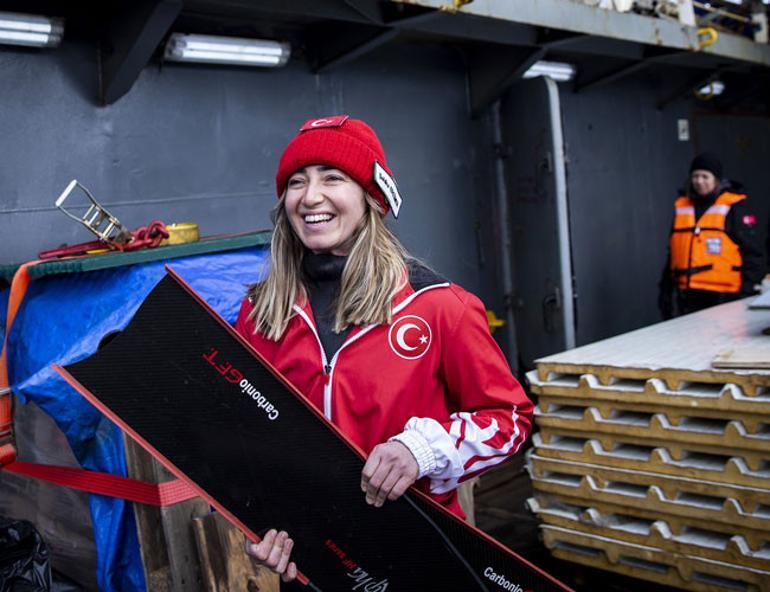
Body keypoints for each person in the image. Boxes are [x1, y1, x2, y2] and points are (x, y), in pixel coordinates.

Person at [235, 115, 533, 583]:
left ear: (371, 197)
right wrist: (264, 524)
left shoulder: (438, 306)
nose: (310, 196)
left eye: (332, 178)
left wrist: (422, 450)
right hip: (315, 563)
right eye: (296, 182)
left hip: (417, 554)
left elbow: (509, 419)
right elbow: (251, 435)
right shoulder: (259, 312)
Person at [658, 152, 764, 318]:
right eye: (695, 176)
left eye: (705, 176)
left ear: (716, 179)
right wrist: (665, 291)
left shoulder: (733, 206)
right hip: (688, 297)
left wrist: (747, 293)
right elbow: (674, 253)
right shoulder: (682, 206)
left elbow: (753, 255)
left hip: (725, 297)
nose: (699, 181)